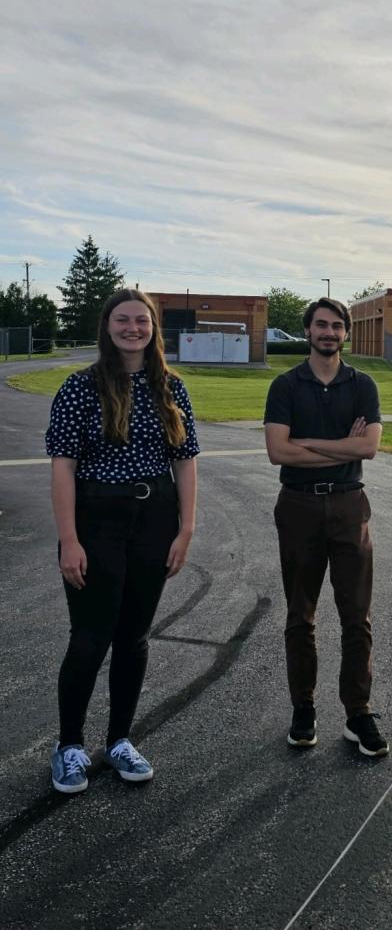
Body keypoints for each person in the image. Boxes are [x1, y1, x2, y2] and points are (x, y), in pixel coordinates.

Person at [46, 289, 199, 794]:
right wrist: (69, 539)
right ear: (106, 326)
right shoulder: (79, 387)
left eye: (142, 320)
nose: (132, 328)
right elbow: (63, 467)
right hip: (97, 519)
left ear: (154, 328)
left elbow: (185, 460)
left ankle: (118, 741)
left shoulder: (171, 389)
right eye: (122, 320)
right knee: (90, 637)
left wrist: (186, 528)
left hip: (154, 517)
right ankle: (69, 747)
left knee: (133, 638)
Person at [263, 297, 386, 756]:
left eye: (337, 326)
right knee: (301, 614)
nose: (329, 333)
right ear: (308, 331)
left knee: (357, 616)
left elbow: (369, 449)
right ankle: (303, 708)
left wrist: (307, 442)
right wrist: (342, 446)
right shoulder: (285, 384)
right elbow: (278, 452)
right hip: (298, 506)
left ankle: (358, 712)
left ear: (346, 333)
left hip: (351, 505)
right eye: (321, 325)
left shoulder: (363, 384)